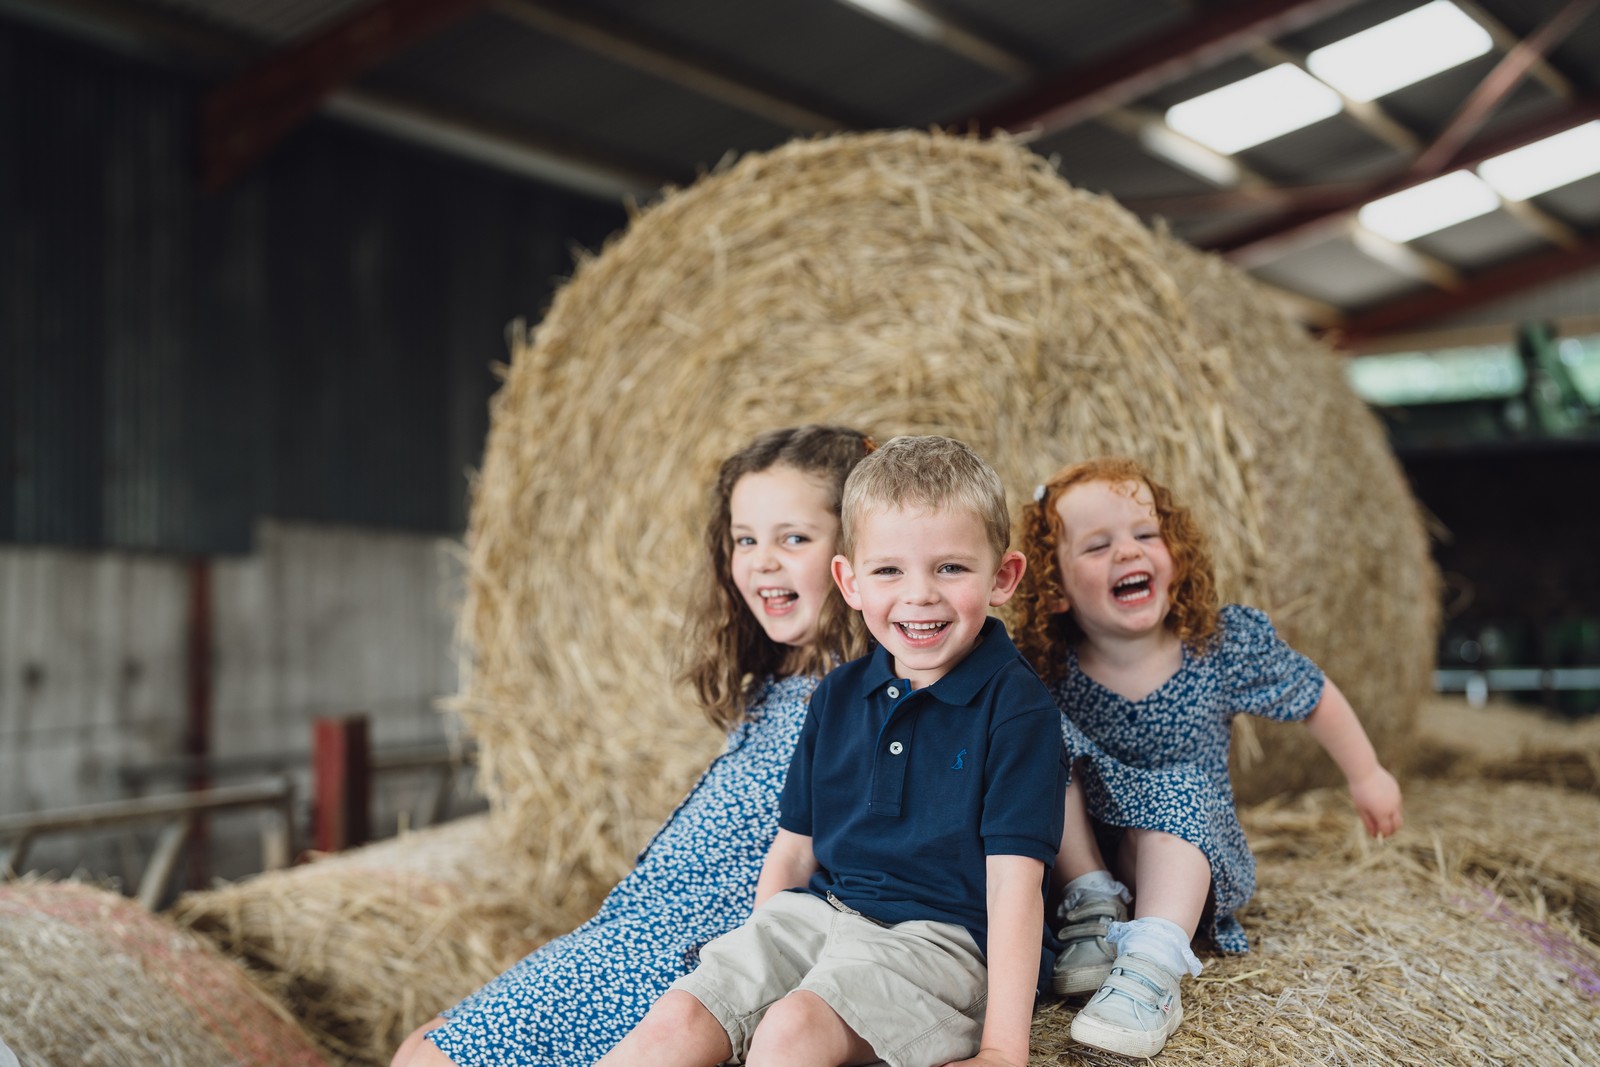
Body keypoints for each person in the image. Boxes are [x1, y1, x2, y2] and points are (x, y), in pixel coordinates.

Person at [391, 424, 877, 1067]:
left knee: (426, 1059)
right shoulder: (776, 685)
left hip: (687, 958)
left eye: (794, 538)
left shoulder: (865, 692)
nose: (762, 560)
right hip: (633, 933)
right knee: (421, 1045)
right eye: (744, 540)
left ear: (856, 552)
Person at [596, 435, 1068, 1067]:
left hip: (947, 944)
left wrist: (1004, 1051)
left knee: (791, 1031)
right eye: (888, 570)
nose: (919, 594)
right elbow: (793, 850)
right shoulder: (839, 695)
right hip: (826, 916)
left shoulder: (1017, 708)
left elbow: (1016, 887)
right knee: (682, 1014)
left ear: (1003, 577)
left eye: (950, 568)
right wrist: (758, 962)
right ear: (849, 581)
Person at [1013, 456, 1405, 1059]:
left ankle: (1150, 970)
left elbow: (1313, 697)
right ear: (1056, 589)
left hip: (1186, 856)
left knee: (1178, 789)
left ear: (1176, 552)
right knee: (1038, 737)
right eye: (1097, 546)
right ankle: (1092, 908)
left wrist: (1368, 773)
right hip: (1090, 860)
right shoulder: (1047, 671)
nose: (1128, 552)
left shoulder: (1220, 644)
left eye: (1146, 535)